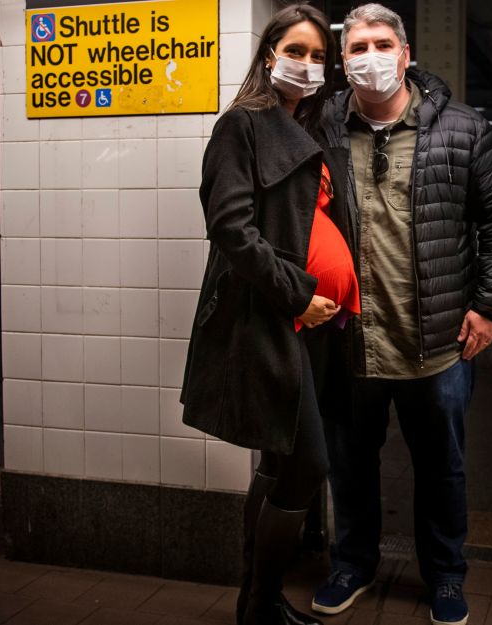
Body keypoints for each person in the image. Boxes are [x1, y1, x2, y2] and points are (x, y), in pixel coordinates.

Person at [313, 5, 492, 625]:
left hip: (437, 343)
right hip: (352, 339)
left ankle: (446, 576)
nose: (369, 56)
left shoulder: (461, 128)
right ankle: (352, 563)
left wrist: (490, 307)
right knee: (350, 463)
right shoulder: (320, 129)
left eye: (382, 44)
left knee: (442, 468)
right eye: (356, 47)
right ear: (343, 59)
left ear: (405, 54)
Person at [179, 5, 356, 625]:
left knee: (282, 458)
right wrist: (297, 293)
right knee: (308, 461)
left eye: (317, 56)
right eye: (296, 51)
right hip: (271, 319)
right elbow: (230, 227)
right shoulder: (241, 126)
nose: (307, 65)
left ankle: (258, 605)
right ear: (269, 53)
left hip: (313, 326)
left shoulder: (308, 130)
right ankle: (259, 600)